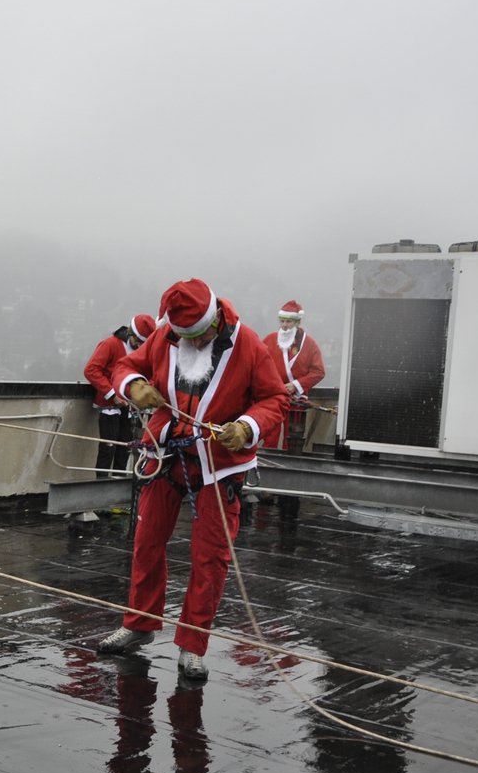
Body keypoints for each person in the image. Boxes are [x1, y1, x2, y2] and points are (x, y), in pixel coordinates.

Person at [97, 278, 288, 681]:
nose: (194, 345)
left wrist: (248, 427)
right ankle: (139, 624)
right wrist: (135, 386)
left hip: (220, 464)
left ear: (216, 318)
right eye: (187, 338)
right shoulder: (166, 336)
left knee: (211, 557)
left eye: (199, 337)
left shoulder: (249, 345)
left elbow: (274, 400)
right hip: (166, 455)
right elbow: (124, 367)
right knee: (147, 542)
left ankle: (193, 645)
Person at [83, 314, 158, 477]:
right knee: (108, 448)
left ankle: (118, 487)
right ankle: (101, 486)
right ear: (131, 334)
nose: (139, 346)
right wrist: (112, 394)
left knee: (125, 449)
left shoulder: (142, 352)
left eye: (143, 343)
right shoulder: (110, 344)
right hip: (110, 406)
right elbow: (91, 370)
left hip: (131, 408)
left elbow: (150, 375)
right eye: (138, 341)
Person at [262, 299, 326, 451]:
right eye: (282, 321)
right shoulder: (269, 340)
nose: (284, 326)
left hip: (296, 400)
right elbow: (258, 364)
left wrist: (295, 385)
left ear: (297, 323)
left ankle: (288, 462)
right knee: (270, 434)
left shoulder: (309, 344)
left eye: (289, 322)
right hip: (273, 396)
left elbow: (319, 372)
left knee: (292, 439)